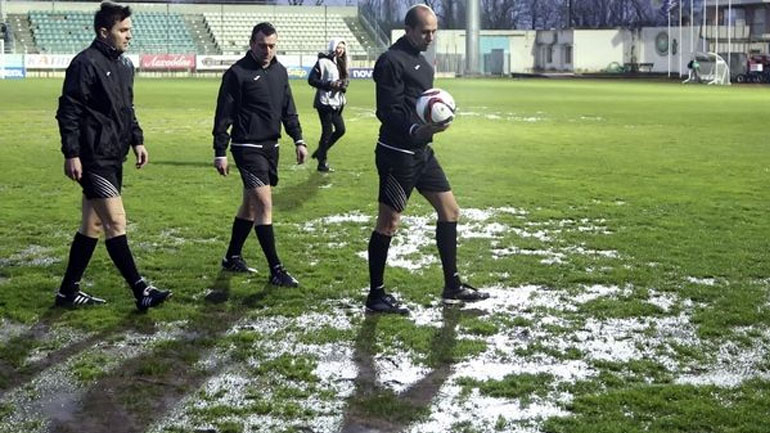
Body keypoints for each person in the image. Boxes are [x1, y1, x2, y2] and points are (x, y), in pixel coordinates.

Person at [365, 5, 489, 315]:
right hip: (397, 155)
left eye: (434, 31)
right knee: (388, 223)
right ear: (408, 30)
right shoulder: (390, 61)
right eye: (425, 32)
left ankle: (452, 285)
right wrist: (417, 128)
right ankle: (376, 295)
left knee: (450, 211)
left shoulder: (423, 62)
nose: (431, 37)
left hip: (422, 153)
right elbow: (387, 112)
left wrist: (431, 126)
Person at [55, 1, 171, 311]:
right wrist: (72, 153)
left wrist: (137, 140)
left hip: (113, 155)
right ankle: (141, 290)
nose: (128, 35)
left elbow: (126, 109)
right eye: (123, 30)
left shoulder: (124, 65)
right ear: (104, 32)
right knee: (116, 221)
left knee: (91, 226)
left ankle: (68, 290)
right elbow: (69, 110)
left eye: (129, 29)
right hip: (93, 158)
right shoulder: (85, 63)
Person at [213, 22, 307, 287]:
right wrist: (220, 151)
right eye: (262, 45)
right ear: (251, 44)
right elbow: (224, 115)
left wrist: (298, 139)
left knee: (250, 206)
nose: (267, 50)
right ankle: (276, 269)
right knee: (265, 206)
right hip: (247, 149)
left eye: (272, 46)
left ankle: (232, 256)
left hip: (271, 148)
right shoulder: (237, 74)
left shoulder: (280, 71)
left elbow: (288, 109)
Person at [308, 38, 349, 172]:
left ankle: (320, 152)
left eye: (342, 48)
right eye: (338, 47)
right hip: (324, 102)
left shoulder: (341, 62)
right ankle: (322, 162)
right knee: (327, 132)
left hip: (337, 102)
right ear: (332, 47)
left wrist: (343, 86)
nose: (340, 50)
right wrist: (329, 85)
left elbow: (344, 81)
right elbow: (311, 80)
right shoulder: (322, 61)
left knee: (340, 130)